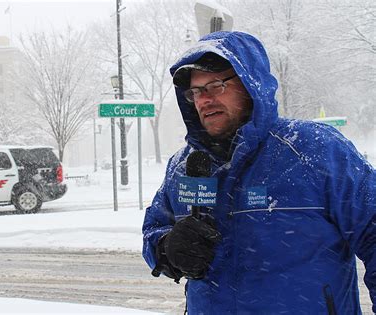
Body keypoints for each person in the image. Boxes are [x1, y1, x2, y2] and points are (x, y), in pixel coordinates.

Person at [142, 31, 375, 314]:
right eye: (195, 92)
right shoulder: (183, 167)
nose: (203, 100)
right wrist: (167, 248)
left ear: (251, 84)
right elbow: (154, 231)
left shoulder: (316, 149)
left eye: (215, 86)